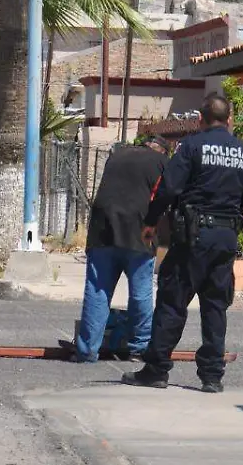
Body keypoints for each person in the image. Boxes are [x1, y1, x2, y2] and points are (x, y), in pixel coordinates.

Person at [122, 93, 243, 393]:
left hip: (193, 237)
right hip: (225, 238)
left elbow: (168, 189)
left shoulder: (192, 147)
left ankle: (156, 369)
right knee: (215, 306)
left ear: (200, 120)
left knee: (172, 301)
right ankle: (212, 376)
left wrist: (151, 221)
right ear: (229, 119)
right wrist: (230, 228)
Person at [71, 136, 170, 363]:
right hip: (139, 230)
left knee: (97, 290)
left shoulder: (117, 154)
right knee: (141, 291)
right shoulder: (162, 162)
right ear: (163, 151)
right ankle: (139, 348)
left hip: (102, 228)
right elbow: (167, 195)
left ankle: (87, 351)